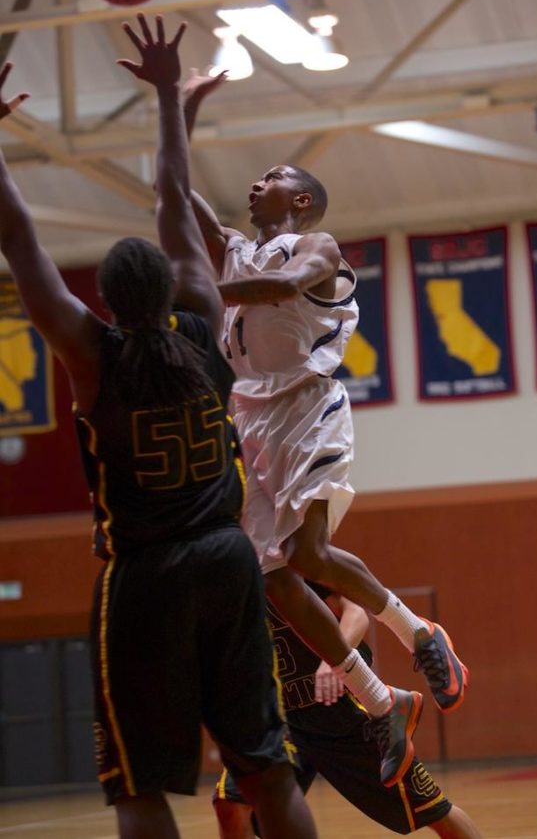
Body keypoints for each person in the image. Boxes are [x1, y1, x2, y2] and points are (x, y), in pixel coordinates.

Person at [0, 18, 319, 839]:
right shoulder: (202, 325)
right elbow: (173, 204)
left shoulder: (90, 353)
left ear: (103, 300)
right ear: (173, 292)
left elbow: (17, 237)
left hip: (145, 577)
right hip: (226, 559)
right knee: (266, 771)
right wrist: (171, 105)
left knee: (140, 787)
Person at [179, 70, 469, 785]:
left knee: (307, 556)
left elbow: (280, 289)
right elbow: (172, 194)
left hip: (309, 410)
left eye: (271, 177)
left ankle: (419, 631)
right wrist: (174, 109)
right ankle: (385, 701)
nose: (255, 185)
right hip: (252, 422)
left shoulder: (319, 247)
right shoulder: (234, 251)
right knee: (272, 582)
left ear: (301, 200)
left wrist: (188, 291)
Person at [213, 584, 483, 839]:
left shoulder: (283, 560)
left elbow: (356, 614)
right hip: (281, 717)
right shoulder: (230, 574)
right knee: (231, 805)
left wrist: (333, 662)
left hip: (341, 712)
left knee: (433, 810)